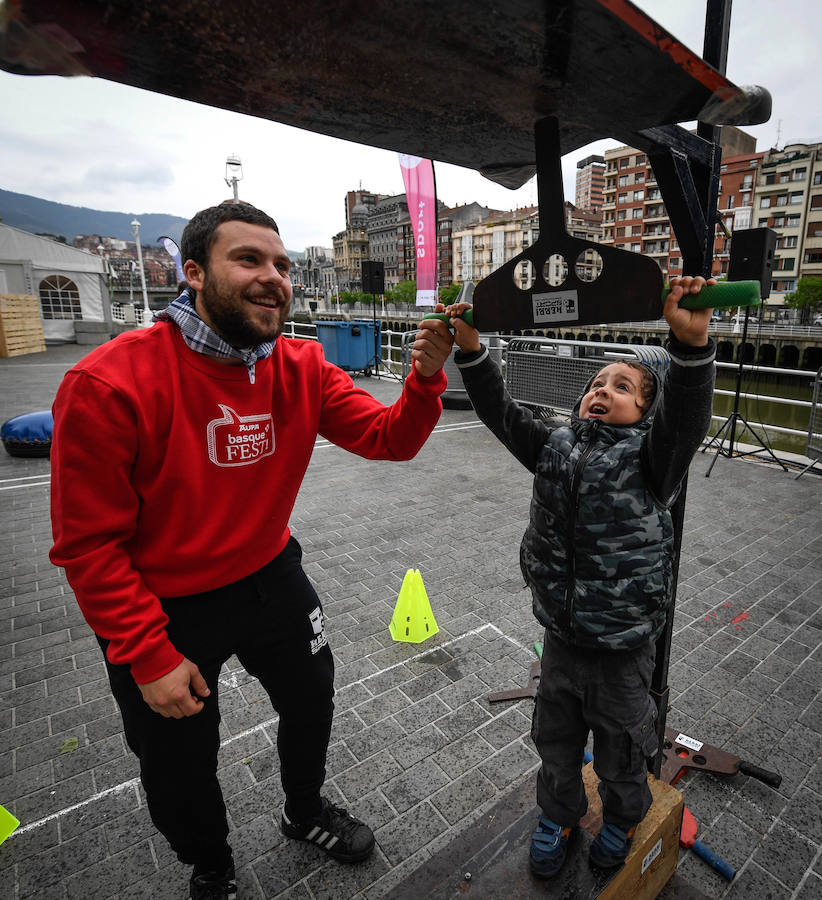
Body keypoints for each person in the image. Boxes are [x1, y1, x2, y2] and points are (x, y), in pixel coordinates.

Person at [49, 201, 454, 899]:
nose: (274, 277)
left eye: (283, 264)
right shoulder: (109, 383)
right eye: (249, 260)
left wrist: (424, 378)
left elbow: (389, 437)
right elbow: (87, 546)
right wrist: (147, 653)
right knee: (178, 760)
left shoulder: (304, 365)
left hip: (270, 574)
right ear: (195, 273)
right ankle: (211, 865)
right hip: (163, 605)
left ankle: (303, 811)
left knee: (313, 700)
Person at [442, 275, 716, 877]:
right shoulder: (555, 445)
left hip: (622, 648)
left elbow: (687, 419)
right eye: (598, 383)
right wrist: (470, 350)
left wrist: (691, 351)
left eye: (624, 387)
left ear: (649, 410)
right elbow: (501, 413)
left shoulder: (653, 462)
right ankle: (558, 813)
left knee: (623, 749)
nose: (604, 391)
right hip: (562, 637)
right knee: (555, 743)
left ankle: (620, 820)